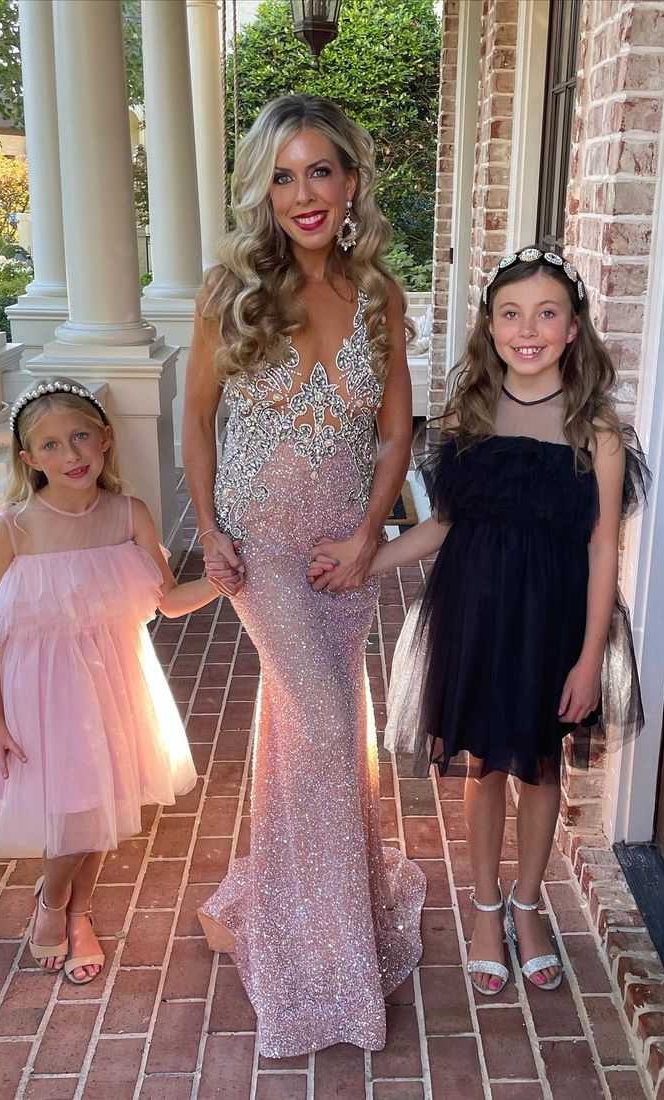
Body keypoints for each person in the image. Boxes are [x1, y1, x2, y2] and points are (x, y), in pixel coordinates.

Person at [314, 247, 646, 997]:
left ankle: (529, 904)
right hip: (477, 615)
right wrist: (366, 558)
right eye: (511, 314)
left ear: (573, 328)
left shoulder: (596, 430)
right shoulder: (468, 417)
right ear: (490, 328)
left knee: (542, 766)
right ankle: (487, 908)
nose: (528, 329)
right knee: (486, 765)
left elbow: (602, 548)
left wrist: (589, 657)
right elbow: (442, 527)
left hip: (553, 623)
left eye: (547, 314)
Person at [182, 94, 426, 1057]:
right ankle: (315, 958)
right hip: (263, 548)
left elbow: (396, 432)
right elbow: (198, 419)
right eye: (282, 177)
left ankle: (322, 911)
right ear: (263, 192)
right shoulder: (230, 291)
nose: (303, 193)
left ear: (352, 180)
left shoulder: (379, 296)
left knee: (315, 728)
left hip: (339, 550)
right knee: (325, 727)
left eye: (320, 170)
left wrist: (369, 534)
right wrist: (208, 528)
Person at [0, 376, 215, 985]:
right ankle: (53, 901)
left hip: (113, 678)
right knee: (75, 810)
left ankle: (77, 913)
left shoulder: (128, 515)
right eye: (50, 445)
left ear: (105, 439)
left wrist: (225, 582)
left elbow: (169, 601)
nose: (70, 455)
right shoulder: (13, 529)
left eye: (80, 437)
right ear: (28, 459)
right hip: (41, 690)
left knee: (100, 802)